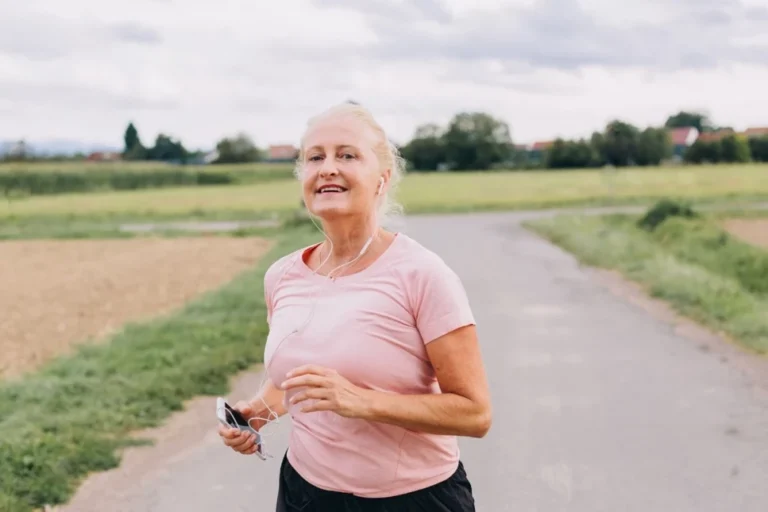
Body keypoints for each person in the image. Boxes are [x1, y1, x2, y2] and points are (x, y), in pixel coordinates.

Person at [218, 102, 492, 511]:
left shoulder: (423, 274)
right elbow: (296, 381)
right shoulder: (282, 275)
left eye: (347, 155)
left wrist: (361, 401)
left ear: (381, 180)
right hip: (305, 494)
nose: (328, 167)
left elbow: (475, 414)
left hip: (414, 500)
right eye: (315, 157)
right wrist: (257, 413)